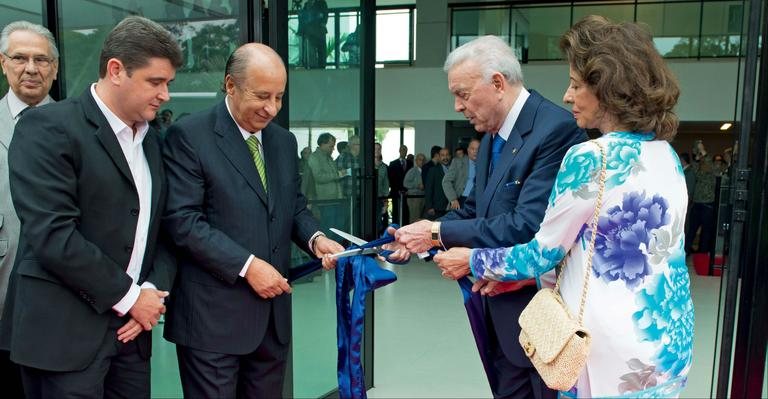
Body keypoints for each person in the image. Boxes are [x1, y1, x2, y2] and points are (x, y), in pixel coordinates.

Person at [434, 16, 694, 398]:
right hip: (666, 337)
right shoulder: (666, 155)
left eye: (575, 84)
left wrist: (471, 260)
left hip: (604, 348)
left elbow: (542, 253)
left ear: (607, 90)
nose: (567, 96)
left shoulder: (590, 157)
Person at [389, 35, 586, 399]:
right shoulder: (494, 135)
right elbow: (476, 210)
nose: (457, 106)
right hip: (498, 314)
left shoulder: (555, 130)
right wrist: (415, 235)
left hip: (539, 320)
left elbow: (526, 225)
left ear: (497, 83)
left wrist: (435, 232)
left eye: (463, 94)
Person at [0, 16, 181, 398]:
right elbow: (54, 235)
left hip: (131, 337)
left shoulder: (152, 141)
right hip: (64, 338)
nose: (165, 94)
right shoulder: (48, 128)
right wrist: (131, 298)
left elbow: (161, 229)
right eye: (155, 82)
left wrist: (149, 290)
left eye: (168, 84)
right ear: (116, 70)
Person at [162, 43, 344, 398]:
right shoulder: (190, 137)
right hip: (212, 322)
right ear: (230, 86)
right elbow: (183, 222)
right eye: (262, 96)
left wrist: (315, 239)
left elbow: (292, 209)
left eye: (279, 97)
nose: (272, 108)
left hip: (271, 322)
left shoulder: (282, 142)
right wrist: (247, 266)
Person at [0, 20, 59, 399]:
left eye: (42, 59)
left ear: (54, 68)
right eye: (20, 58)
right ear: (3, 63)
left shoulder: (81, 127)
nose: (31, 68)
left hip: (59, 297)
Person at [443, 138, 479, 210]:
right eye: (472, 149)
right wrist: (453, 199)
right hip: (461, 200)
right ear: (468, 150)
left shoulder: (486, 164)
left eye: (478, 149)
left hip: (478, 202)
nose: (475, 151)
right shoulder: (457, 162)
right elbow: (446, 181)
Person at [423, 147, 450, 220]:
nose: (445, 157)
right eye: (443, 155)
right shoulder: (433, 170)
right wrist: (429, 207)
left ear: (450, 156)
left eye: (447, 155)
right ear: (439, 157)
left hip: (451, 207)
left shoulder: (454, 170)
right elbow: (428, 189)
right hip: (437, 208)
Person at [404, 153, 426, 223]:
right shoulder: (412, 171)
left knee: (421, 219)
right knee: (414, 218)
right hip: (414, 198)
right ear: (416, 161)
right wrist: (417, 185)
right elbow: (405, 183)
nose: (422, 162)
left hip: (423, 197)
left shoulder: (426, 171)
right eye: (420, 160)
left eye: (423, 160)